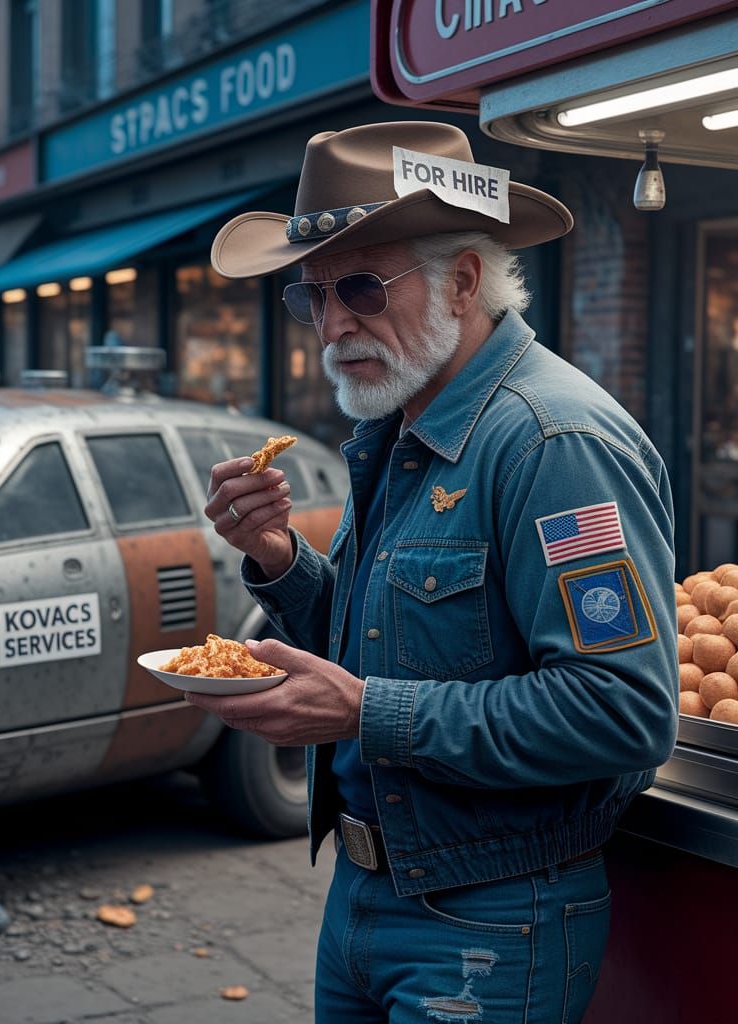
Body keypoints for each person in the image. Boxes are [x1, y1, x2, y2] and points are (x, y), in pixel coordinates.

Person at [188, 122, 678, 1023]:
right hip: (366, 896)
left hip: (491, 919)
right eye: (314, 298)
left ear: (461, 279)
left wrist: (362, 713)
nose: (334, 326)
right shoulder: (406, 421)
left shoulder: (551, 439)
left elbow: (622, 710)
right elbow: (398, 645)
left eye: (363, 287)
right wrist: (281, 561)